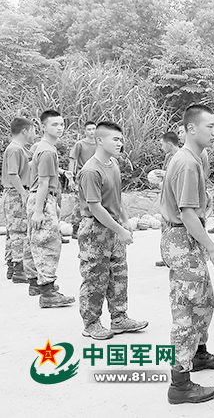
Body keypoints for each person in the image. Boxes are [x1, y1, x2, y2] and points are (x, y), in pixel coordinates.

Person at [161, 104, 214, 405]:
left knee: (203, 302)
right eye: (209, 126)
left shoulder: (193, 158)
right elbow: (188, 214)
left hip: (185, 238)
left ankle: (198, 354)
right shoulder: (187, 163)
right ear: (191, 129)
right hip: (182, 238)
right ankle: (180, 383)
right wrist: (212, 248)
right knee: (186, 311)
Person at [77, 121, 148, 340]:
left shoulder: (113, 164)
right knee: (95, 278)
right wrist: (120, 230)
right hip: (95, 229)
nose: (120, 143)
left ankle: (119, 318)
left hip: (113, 226)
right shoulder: (91, 170)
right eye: (115, 139)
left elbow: (117, 197)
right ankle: (91, 324)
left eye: (121, 139)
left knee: (118, 274)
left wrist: (125, 220)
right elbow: (95, 207)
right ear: (100, 140)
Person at [27, 109, 75, 308]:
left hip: (41, 199)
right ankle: (47, 293)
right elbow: (44, 182)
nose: (60, 128)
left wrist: (61, 172)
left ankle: (42, 285)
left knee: (39, 241)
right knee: (48, 244)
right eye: (54, 124)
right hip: (43, 199)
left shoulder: (43, 147)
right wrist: (39, 211)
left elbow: (34, 167)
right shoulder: (47, 150)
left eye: (62, 124)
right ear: (43, 127)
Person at [3, 117, 35, 284]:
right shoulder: (15, 149)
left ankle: (11, 265)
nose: (34, 134)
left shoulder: (18, 149)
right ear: (24, 131)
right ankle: (19, 268)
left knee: (12, 231)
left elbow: (21, 169)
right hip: (16, 192)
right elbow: (13, 173)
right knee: (19, 231)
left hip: (14, 192)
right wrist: (23, 193)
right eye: (32, 130)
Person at [68, 120, 98, 237]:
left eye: (94, 129)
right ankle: (75, 226)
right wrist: (70, 178)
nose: (91, 131)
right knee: (81, 201)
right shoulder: (80, 144)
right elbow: (72, 160)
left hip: (96, 175)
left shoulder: (99, 144)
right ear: (85, 131)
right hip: (82, 175)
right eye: (89, 129)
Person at [155, 132, 181, 267]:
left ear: (169, 144)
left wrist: (165, 174)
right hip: (166, 196)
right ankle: (166, 257)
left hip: (175, 200)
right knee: (164, 228)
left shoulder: (181, 157)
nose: (161, 147)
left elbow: (178, 176)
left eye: (162, 144)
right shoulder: (168, 157)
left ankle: (175, 258)